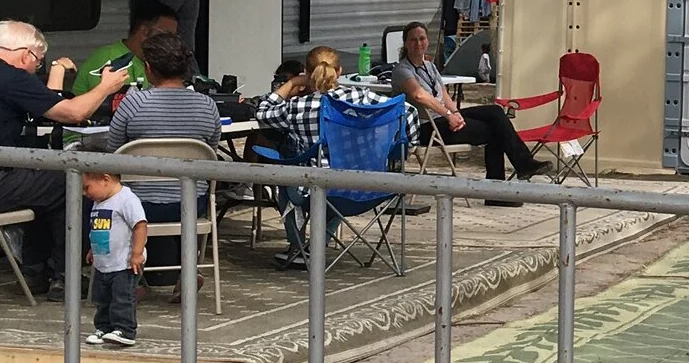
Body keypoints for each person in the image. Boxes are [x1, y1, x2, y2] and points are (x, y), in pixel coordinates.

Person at [0, 20, 128, 290]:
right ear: (26, 55)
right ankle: (66, 278)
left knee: (43, 183)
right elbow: (74, 113)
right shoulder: (12, 78)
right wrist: (106, 86)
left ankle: (35, 270)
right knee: (75, 181)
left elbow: (42, 104)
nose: (36, 68)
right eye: (38, 62)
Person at [257, 46, 397, 269]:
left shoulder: (298, 106)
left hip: (310, 190)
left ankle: (298, 247)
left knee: (286, 177)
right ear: (339, 72)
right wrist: (394, 149)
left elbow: (263, 112)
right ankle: (317, 245)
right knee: (340, 182)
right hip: (363, 186)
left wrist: (291, 83)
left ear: (307, 73)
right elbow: (406, 110)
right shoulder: (361, 97)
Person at [106, 29, 224, 278]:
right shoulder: (207, 105)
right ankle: (187, 273)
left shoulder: (134, 103)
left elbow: (113, 155)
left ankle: (129, 277)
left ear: (148, 68)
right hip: (191, 202)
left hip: (140, 204)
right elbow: (210, 155)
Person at [383, 20, 538, 187]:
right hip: (426, 127)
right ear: (406, 43)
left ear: (427, 41)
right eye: (413, 40)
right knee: (496, 131)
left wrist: (456, 114)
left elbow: (443, 93)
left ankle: (522, 166)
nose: (418, 43)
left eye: (422, 39)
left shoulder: (430, 66)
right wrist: (448, 115)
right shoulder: (402, 70)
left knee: (495, 112)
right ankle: (503, 184)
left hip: (442, 119)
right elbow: (420, 95)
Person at [83, 168, 146, 348]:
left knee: (122, 297)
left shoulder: (126, 199)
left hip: (124, 263)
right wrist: (93, 249)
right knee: (102, 298)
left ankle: (125, 329)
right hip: (103, 262)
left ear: (105, 179)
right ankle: (104, 327)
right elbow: (100, 228)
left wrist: (137, 253)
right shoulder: (99, 201)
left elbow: (140, 226)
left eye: (87, 187)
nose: (85, 193)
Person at [78, 0, 179, 99]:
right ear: (145, 32)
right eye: (166, 35)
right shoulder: (111, 58)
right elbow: (111, 104)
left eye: (174, 37)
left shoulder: (150, 63)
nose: (170, 41)